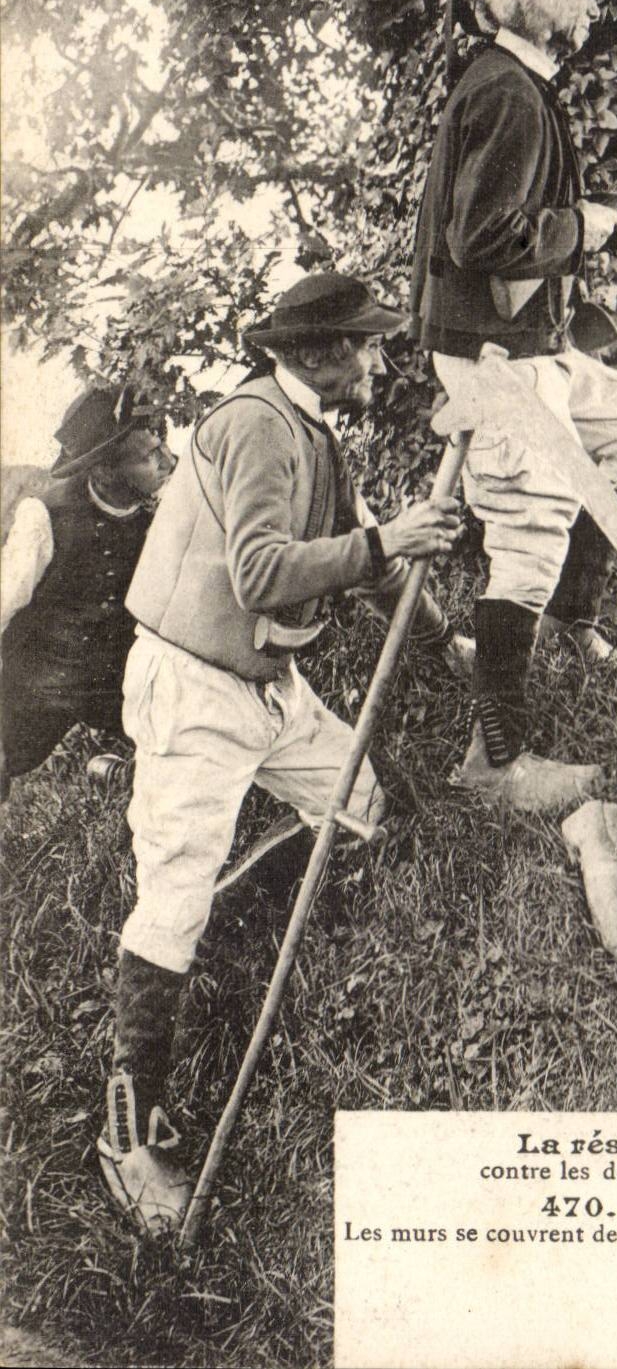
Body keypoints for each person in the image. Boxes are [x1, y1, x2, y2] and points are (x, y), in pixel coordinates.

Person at [97, 273, 470, 1234]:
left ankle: (202, 928)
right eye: (365, 346)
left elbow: (366, 550)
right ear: (314, 354)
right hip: (194, 686)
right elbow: (265, 569)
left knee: (360, 810)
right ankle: (128, 1137)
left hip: (271, 685)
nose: (379, 362)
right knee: (172, 890)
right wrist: (388, 537)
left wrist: (441, 641)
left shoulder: (313, 429)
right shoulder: (257, 425)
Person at [411, 0, 617, 812]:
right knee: (531, 522)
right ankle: (493, 762)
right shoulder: (506, 91)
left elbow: (541, 240)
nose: (591, 0)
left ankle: (567, 620)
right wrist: (579, 224)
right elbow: (483, 242)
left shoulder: (523, 86)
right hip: (493, 358)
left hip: (534, 345)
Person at [1, 384, 173, 801]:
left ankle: (119, 774)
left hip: (117, 682)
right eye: (150, 456)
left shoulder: (163, 512)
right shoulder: (43, 516)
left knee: (183, 746)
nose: (169, 460)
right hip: (35, 684)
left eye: (162, 445)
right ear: (103, 471)